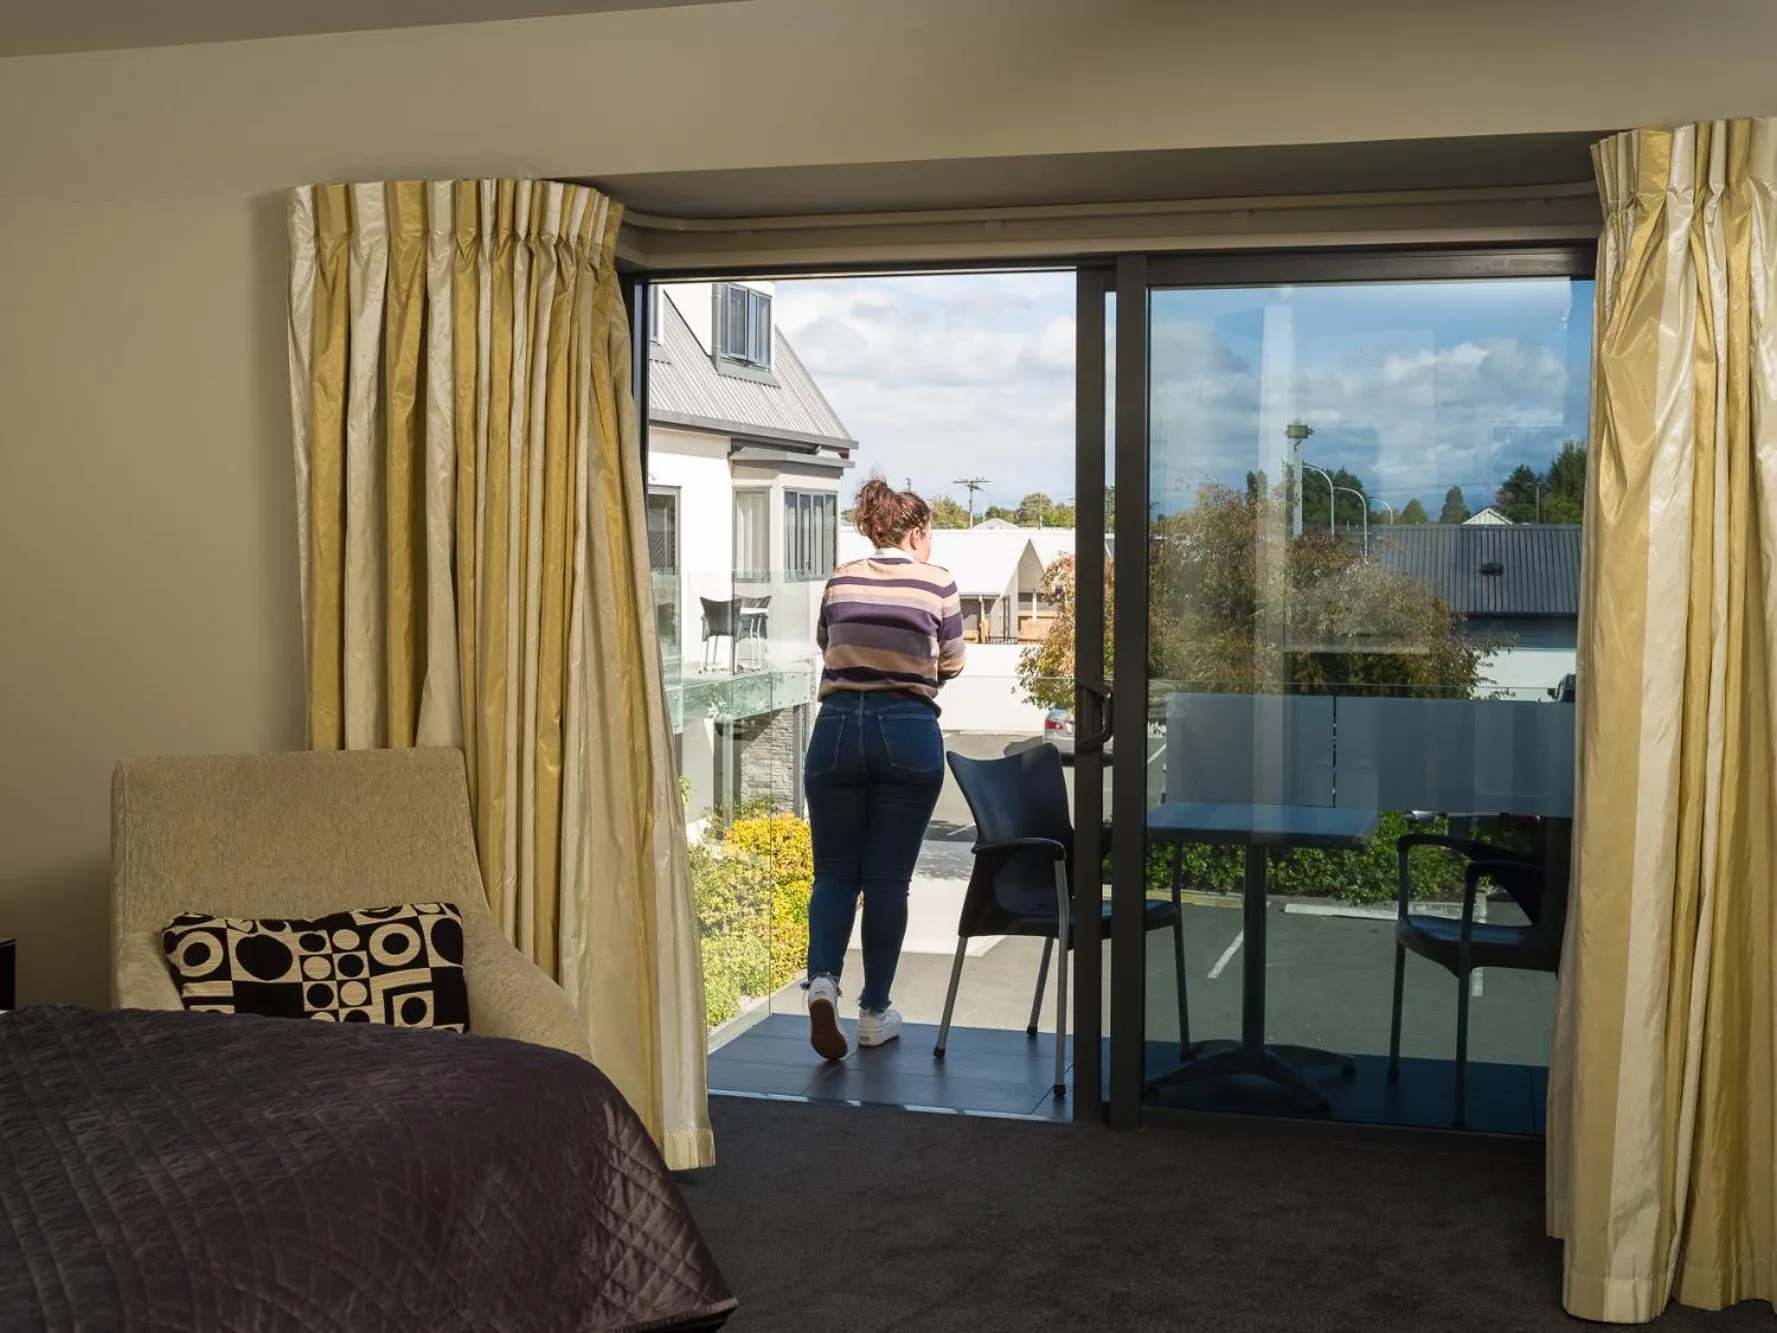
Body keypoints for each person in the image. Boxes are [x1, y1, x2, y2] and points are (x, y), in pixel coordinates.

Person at [802, 479, 965, 1059]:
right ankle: (874, 1011)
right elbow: (951, 663)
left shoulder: (841, 578)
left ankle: (822, 982)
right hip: (906, 728)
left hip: (838, 728)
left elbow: (828, 645)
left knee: (835, 873)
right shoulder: (938, 581)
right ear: (916, 531)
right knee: (888, 881)